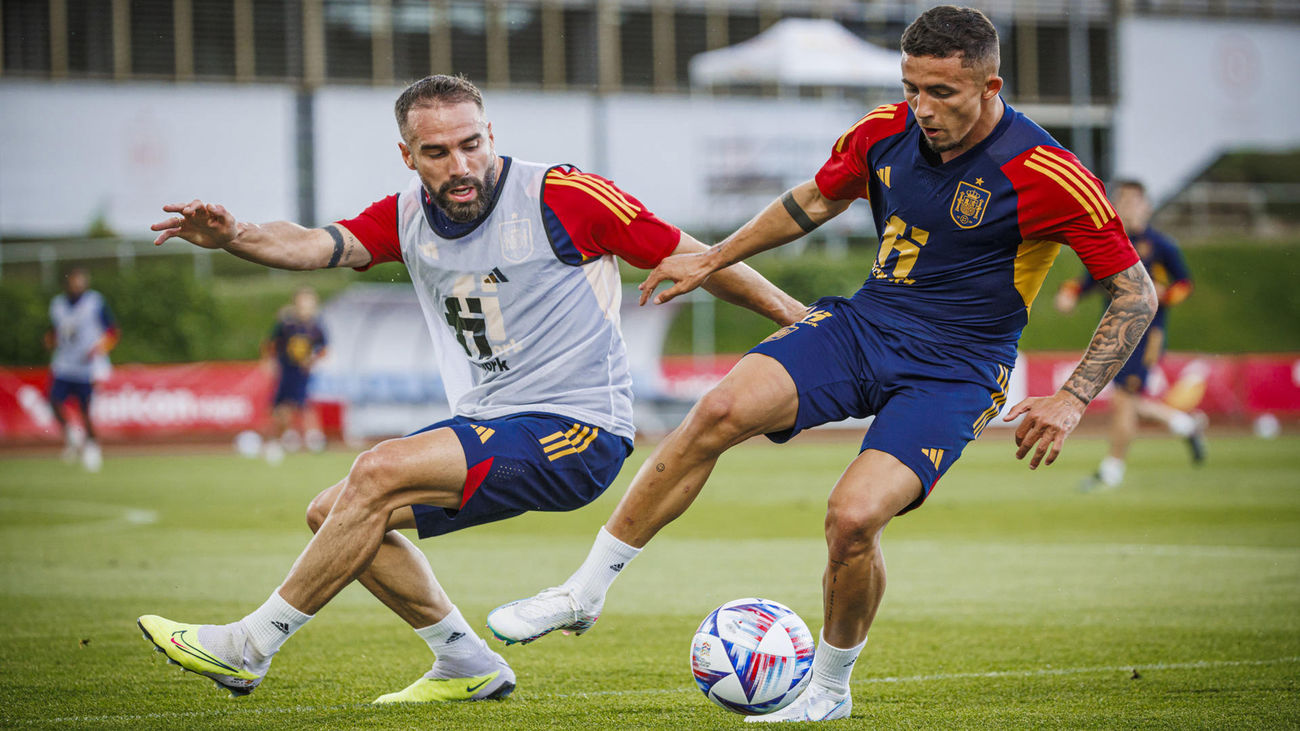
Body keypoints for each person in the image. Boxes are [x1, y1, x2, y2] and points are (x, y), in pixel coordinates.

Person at [487, 6, 1158, 723]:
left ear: (991, 85)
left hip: (957, 368)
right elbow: (813, 198)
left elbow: (1134, 290)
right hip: (864, 324)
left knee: (853, 518)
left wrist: (1074, 396)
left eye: (943, 93)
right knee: (717, 409)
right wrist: (713, 256)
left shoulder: (1049, 173)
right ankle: (584, 590)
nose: (923, 109)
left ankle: (829, 689)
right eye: (913, 89)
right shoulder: (883, 132)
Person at [136, 74, 805, 704]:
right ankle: (465, 661)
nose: (459, 165)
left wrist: (796, 320)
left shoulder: (561, 195)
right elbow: (316, 243)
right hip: (490, 420)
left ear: (491, 133)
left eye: (471, 144)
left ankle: (250, 644)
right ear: (407, 155)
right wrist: (235, 236)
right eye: (437, 151)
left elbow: (699, 256)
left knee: (376, 471)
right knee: (334, 513)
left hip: (580, 428)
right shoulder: (403, 217)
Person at [1054, 179, 1205, 490]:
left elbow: (1184, 284)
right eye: (1123, 201)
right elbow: (1089, 278)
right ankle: (1184, 424)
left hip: (1148, 333)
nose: (1129, 207)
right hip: (1113, 332)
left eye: (1135, 201)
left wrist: (1164, 296)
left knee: (1124, 399)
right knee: (1125, 401)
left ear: (1146, 206)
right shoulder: (1112, 240)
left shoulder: (1161, 245)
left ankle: (1112, 470)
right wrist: (1070, 292)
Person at [46, 266, 119, 472]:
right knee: (53, 401)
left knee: (86, 410)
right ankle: (72, 435)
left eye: (82, 281)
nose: (78, 285)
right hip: (64, 363)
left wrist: (99, 348)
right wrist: (49, 340)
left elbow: (113, 331)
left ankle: (92, 447)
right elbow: (55, 330)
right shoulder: (57, 304)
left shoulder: (95, 301)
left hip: (87, 367)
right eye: (75, 281)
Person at [261, 286, 329, 463]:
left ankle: (314, 438)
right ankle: (277, 440)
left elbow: (323, 349)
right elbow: (271, 343)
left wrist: (313, 360)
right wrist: (269, 361)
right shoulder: (287, 324)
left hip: (303, 373)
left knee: (304, 404)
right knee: (282, 408)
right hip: (287, 371)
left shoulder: (316, 327)